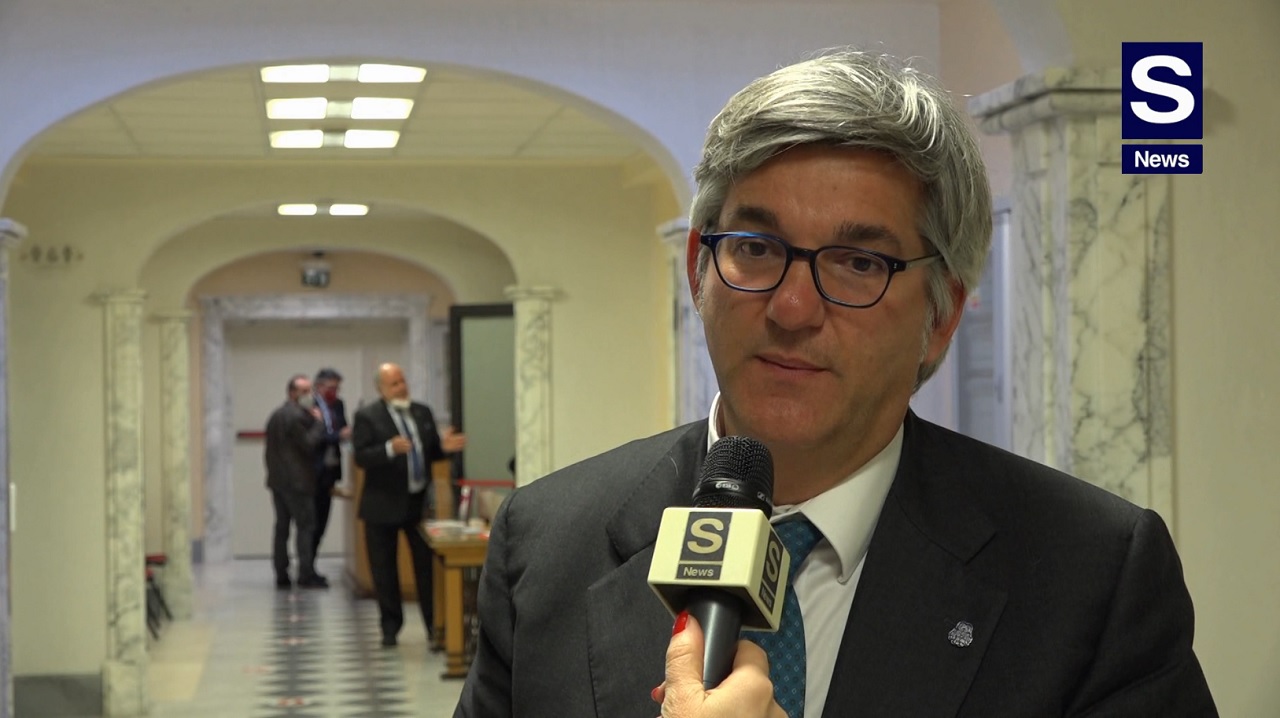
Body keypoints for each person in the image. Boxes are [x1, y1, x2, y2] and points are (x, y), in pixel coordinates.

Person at [454, 48, 1218, 718]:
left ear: (941, 314)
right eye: (756, 248)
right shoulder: (546, 544)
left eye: (859, 263)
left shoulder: (1090, 575)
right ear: (698, 271)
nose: (792, 308)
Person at [353, 362, 467, 647]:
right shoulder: (368, 417)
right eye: (394, 384)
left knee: (426, 569)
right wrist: (389, 449)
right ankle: (390, 629)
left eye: (402, 381)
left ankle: (433, 627)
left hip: (417, 505)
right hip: (381, 506)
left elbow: (430, 451)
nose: (401, 387)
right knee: (384, 571)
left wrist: (444, 449)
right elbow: (361, 456)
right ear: (381, 389)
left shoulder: (422, 412)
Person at [264, 374, 328, 589]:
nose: (309, 395)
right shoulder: (298, 416)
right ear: (292, 393)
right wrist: (319, 423)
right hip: (298, 482)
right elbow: (309, 444)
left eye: (310, 390)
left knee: (281, 528)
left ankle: (281, 573)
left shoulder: (276, 415)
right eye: (304, 391)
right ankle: (306, 574)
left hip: (278, 481)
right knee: (306, 527)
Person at [311, 367, 351, 557]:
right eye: (330, 388)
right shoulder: (309, 406)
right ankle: (306, 565)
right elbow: (314, 438)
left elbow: (342, 428)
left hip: (330, 469)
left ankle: (312, 560)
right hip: (312, 470)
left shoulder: (338, 405)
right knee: (311, 522)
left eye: (337, 388)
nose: (334, 392)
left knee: (322, 520)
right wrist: (337, 436)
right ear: (318, 386)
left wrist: (346, 434)